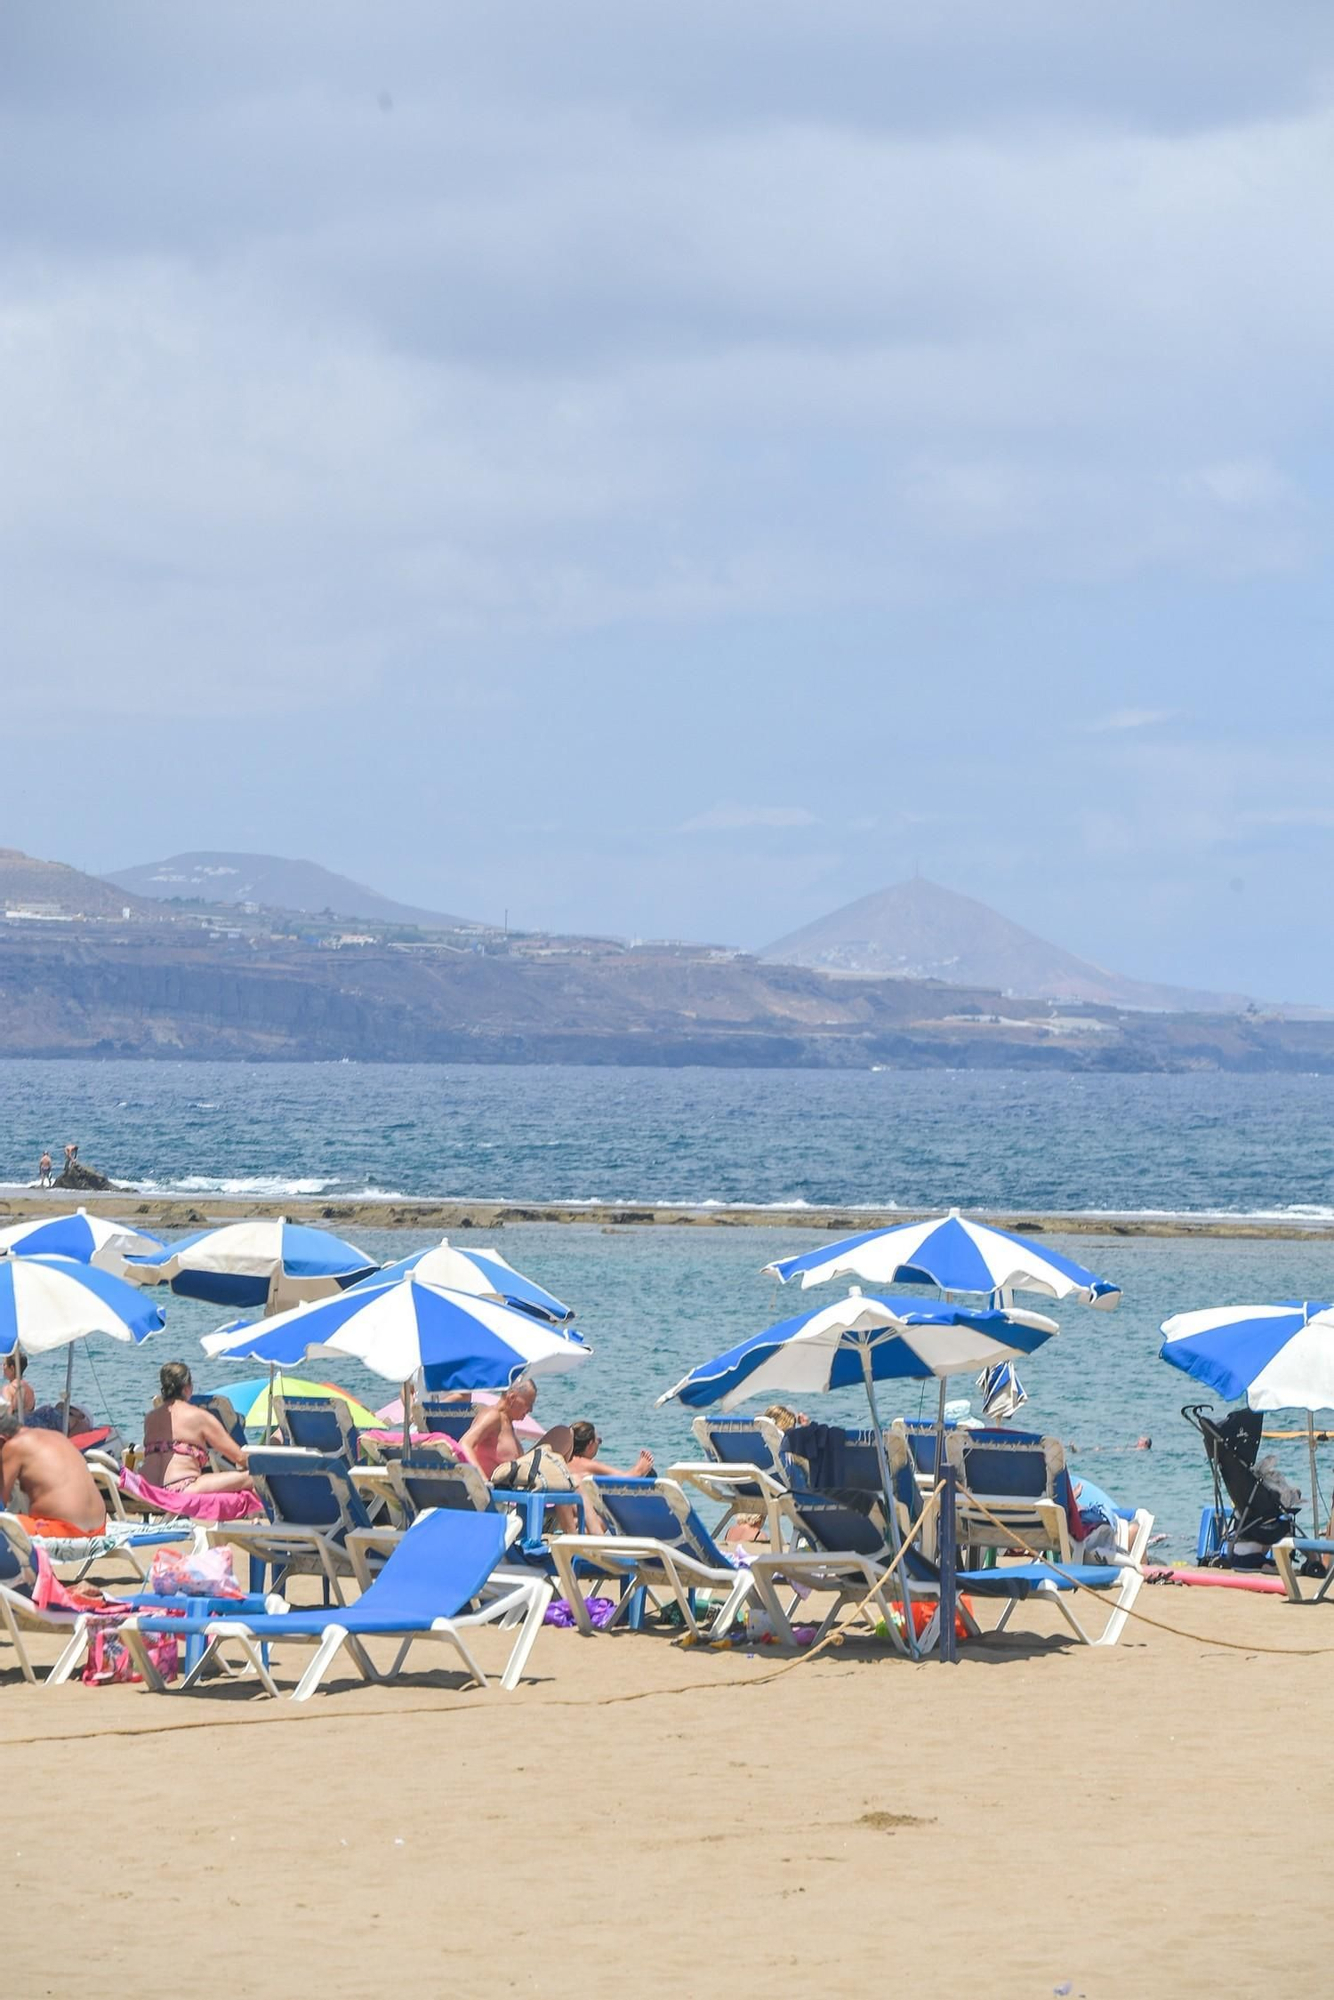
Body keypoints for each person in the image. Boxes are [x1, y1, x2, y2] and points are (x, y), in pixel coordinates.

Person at [141, 1361, 253, 1494]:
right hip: (181, 1487)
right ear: (187, 1388)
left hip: (147, 1489)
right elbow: (239, 1457)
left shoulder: (150, 1418)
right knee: (255, 1477)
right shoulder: (199, 1417)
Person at [0, 1411, 107, 1536]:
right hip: (99, 1529)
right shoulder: (57, 1436)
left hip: (63, 1530)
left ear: (2, 1439)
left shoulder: (13, 1446)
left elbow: (1, 1501)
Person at [567, 1420, 655, 1533]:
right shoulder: (587, 1465)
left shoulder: (563, 1462)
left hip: (565, 1521)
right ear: (589, 1444)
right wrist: (641, 1468)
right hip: (586, 1523)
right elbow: (626, 1480)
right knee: (612, 1516)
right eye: (598, 1440)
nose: (598, 1444)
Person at [458, 1378, 539, 1480]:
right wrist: (482, 1480)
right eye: (528, 1404)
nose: (531, 1410)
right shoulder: (493, 1416)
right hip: (494, 1489)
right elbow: (464, 1444)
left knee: (562, 1434)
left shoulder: (507, 1422)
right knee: (561, 1432)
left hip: (511, 1485)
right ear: (512, 1398)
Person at [2, 1353, 35, 1420]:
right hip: (29, 1426)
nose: (2, 1367)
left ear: (12, 1368)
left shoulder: (8, 1389)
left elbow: (7, 1414)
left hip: (14, 1427)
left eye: (4, 1364)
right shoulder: (29, 1389)